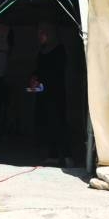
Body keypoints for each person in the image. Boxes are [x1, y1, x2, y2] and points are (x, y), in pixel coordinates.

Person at [31, 22, 69, 164]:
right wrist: (34, 78)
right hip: (43, 93)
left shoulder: (59, 50)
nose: (39, 36)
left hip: (55, 93)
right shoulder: (42, 50)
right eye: (39, 33)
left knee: (58, 122)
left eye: (42, 33)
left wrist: (42, 80)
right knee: (46, 122)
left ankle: (65, 156)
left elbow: (56, 72)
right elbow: (39, 68)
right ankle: (52, 155)